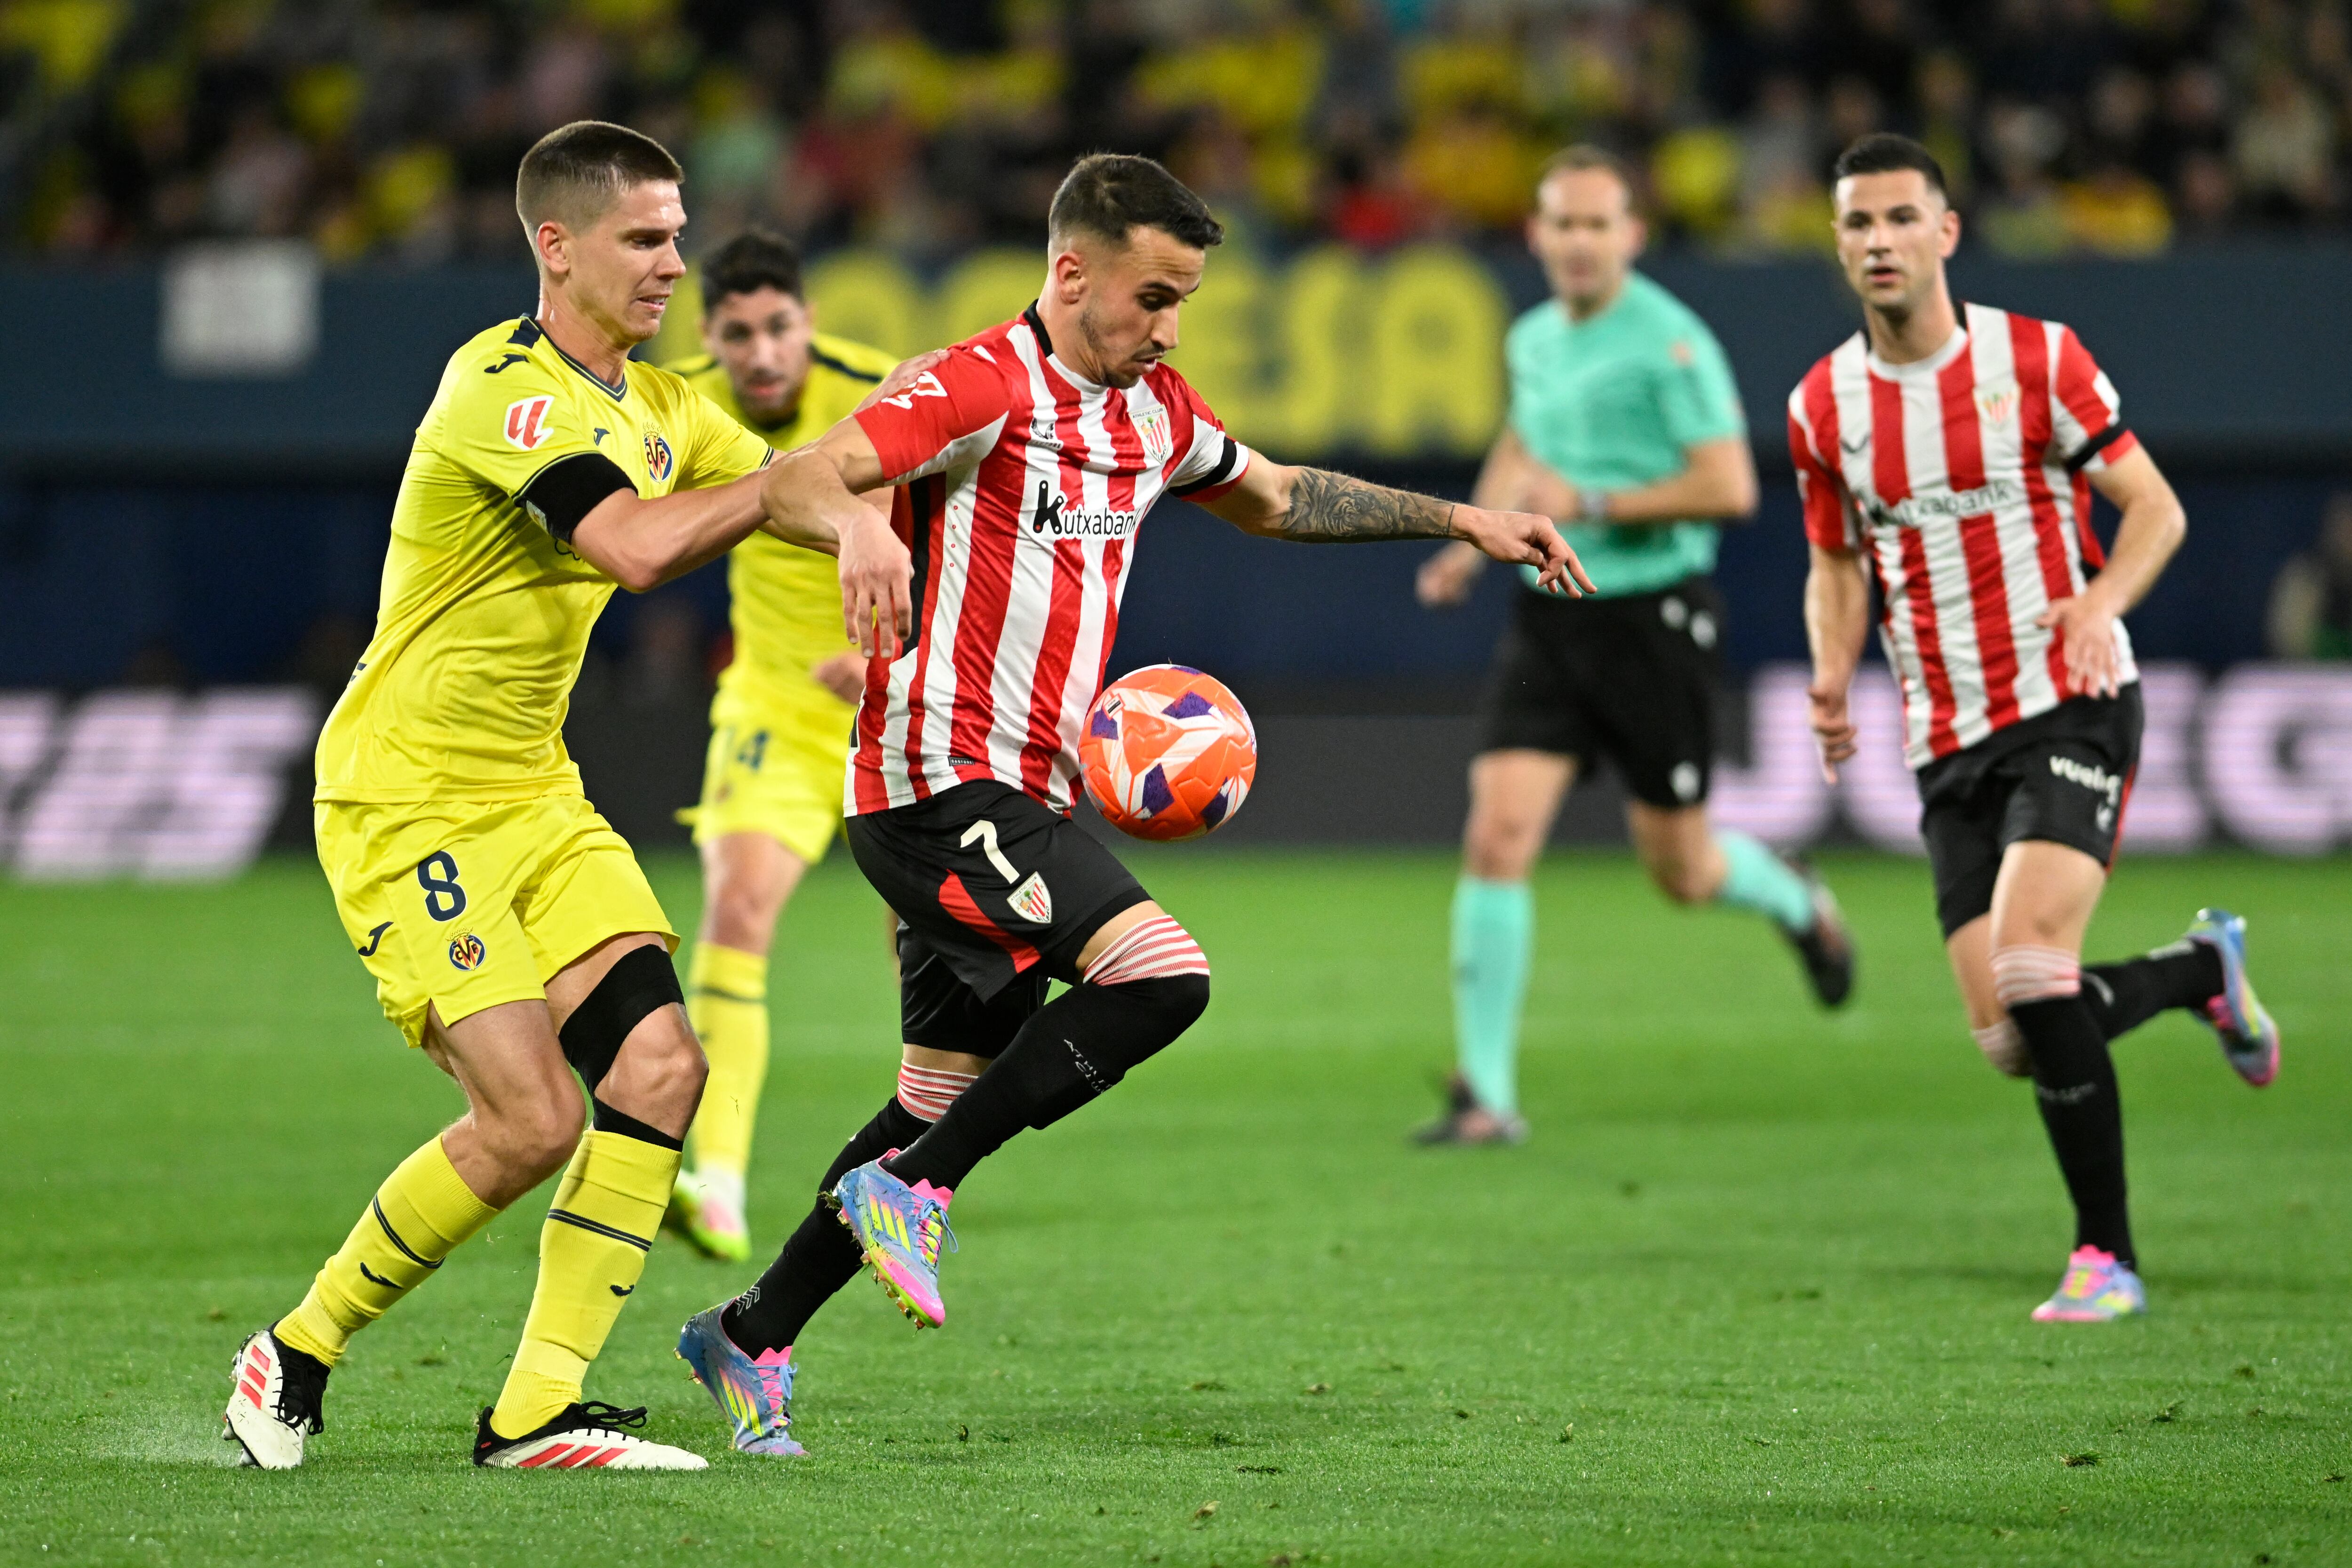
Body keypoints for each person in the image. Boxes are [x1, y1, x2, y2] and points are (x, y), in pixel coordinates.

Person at [672, 152, 1596, 1458]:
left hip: (1023, 788)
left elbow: (1274, 495)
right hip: (936, 780)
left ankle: (751, 1329)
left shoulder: (1153, 409)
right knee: (1164, 975)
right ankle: (912, 1191)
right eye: (1153, 296)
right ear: (1070, 272)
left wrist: (1462, 519)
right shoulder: (982, 381)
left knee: (937, 1092)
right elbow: (802, 475)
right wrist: (864, 528)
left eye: (1184, 302)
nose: (1168, 328)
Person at [223, 121, 828, 1472]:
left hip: (533, 790)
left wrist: (879, 512)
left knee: (665, 1063)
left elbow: (817, 481)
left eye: (679, 235)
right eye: (648, 239)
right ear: (557, 248)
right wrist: (782, 492)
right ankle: (296, 1347)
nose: (678, 264)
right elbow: (634, 545)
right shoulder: (503, 390)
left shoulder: (670, 405)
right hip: (406, 795)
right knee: (535, 1116)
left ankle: (535, 1412)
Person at [1791, 134, 2279, 1325]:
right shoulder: (1825, 404)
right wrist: (1830, 666)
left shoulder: (2037, 359)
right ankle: (2194, 969)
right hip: (1942, 730)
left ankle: (2103, 1255)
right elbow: (1834, 560)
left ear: (1947, 232)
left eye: (1902, 218)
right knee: (2015, 1036)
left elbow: (2153, 508)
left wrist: (2101, 601)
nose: (1879, 242)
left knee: (2029, 966)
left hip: (2071, 699)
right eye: (1857, 223)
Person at [1413, 145, 1855, 1147]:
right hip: (1550, 614)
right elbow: (1524, 443)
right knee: (1497, 835)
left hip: (1651, 615)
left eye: (1596, 225)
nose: (1577, 242)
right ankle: (1486, 1093)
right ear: (1536, 234)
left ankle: (1793, 896)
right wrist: (1470, 541)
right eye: (1560, 224)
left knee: (1681, 871)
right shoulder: (1532, 338)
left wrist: (1596, 500)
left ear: (1631, 236)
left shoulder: (1672, 342)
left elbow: (1733, 487)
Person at [660, 231, 901, 1263]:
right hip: (773, 704)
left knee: (925, 953)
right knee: (737, 906)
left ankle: (915, 1175)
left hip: (894, 701)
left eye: (778, 328)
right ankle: (716, 1178)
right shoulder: (679, 402)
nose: (760, 352)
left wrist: (891, 653)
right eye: (736, 334)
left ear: (807, 322)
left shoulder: (877, 390)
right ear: (709, 336)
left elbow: (928, 537)